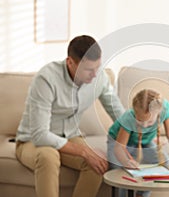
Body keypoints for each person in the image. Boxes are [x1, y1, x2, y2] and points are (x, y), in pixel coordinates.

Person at [15, 35, 125, 197]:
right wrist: (83, 151)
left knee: (98, 163)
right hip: (32, 141)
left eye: (97, 67)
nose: (95, 74)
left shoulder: (99, 77)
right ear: (70, 62)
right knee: (48, 156)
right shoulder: (46, 78)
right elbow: (40, 135)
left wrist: (139, 137)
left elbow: (119, 114)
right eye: (88, 69)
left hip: (70, 136)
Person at [107, 89, 169, 197]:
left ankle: (141, 194)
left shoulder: (163, 108)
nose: (144, 125)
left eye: (149, 122)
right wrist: (126, 161)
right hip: (119, 142)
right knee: (119, 170)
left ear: (158, 114)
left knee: (163, 163)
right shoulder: (129, 118)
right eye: (140, 121)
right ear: (135, 112)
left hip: (144, 141)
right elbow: (119, 148)